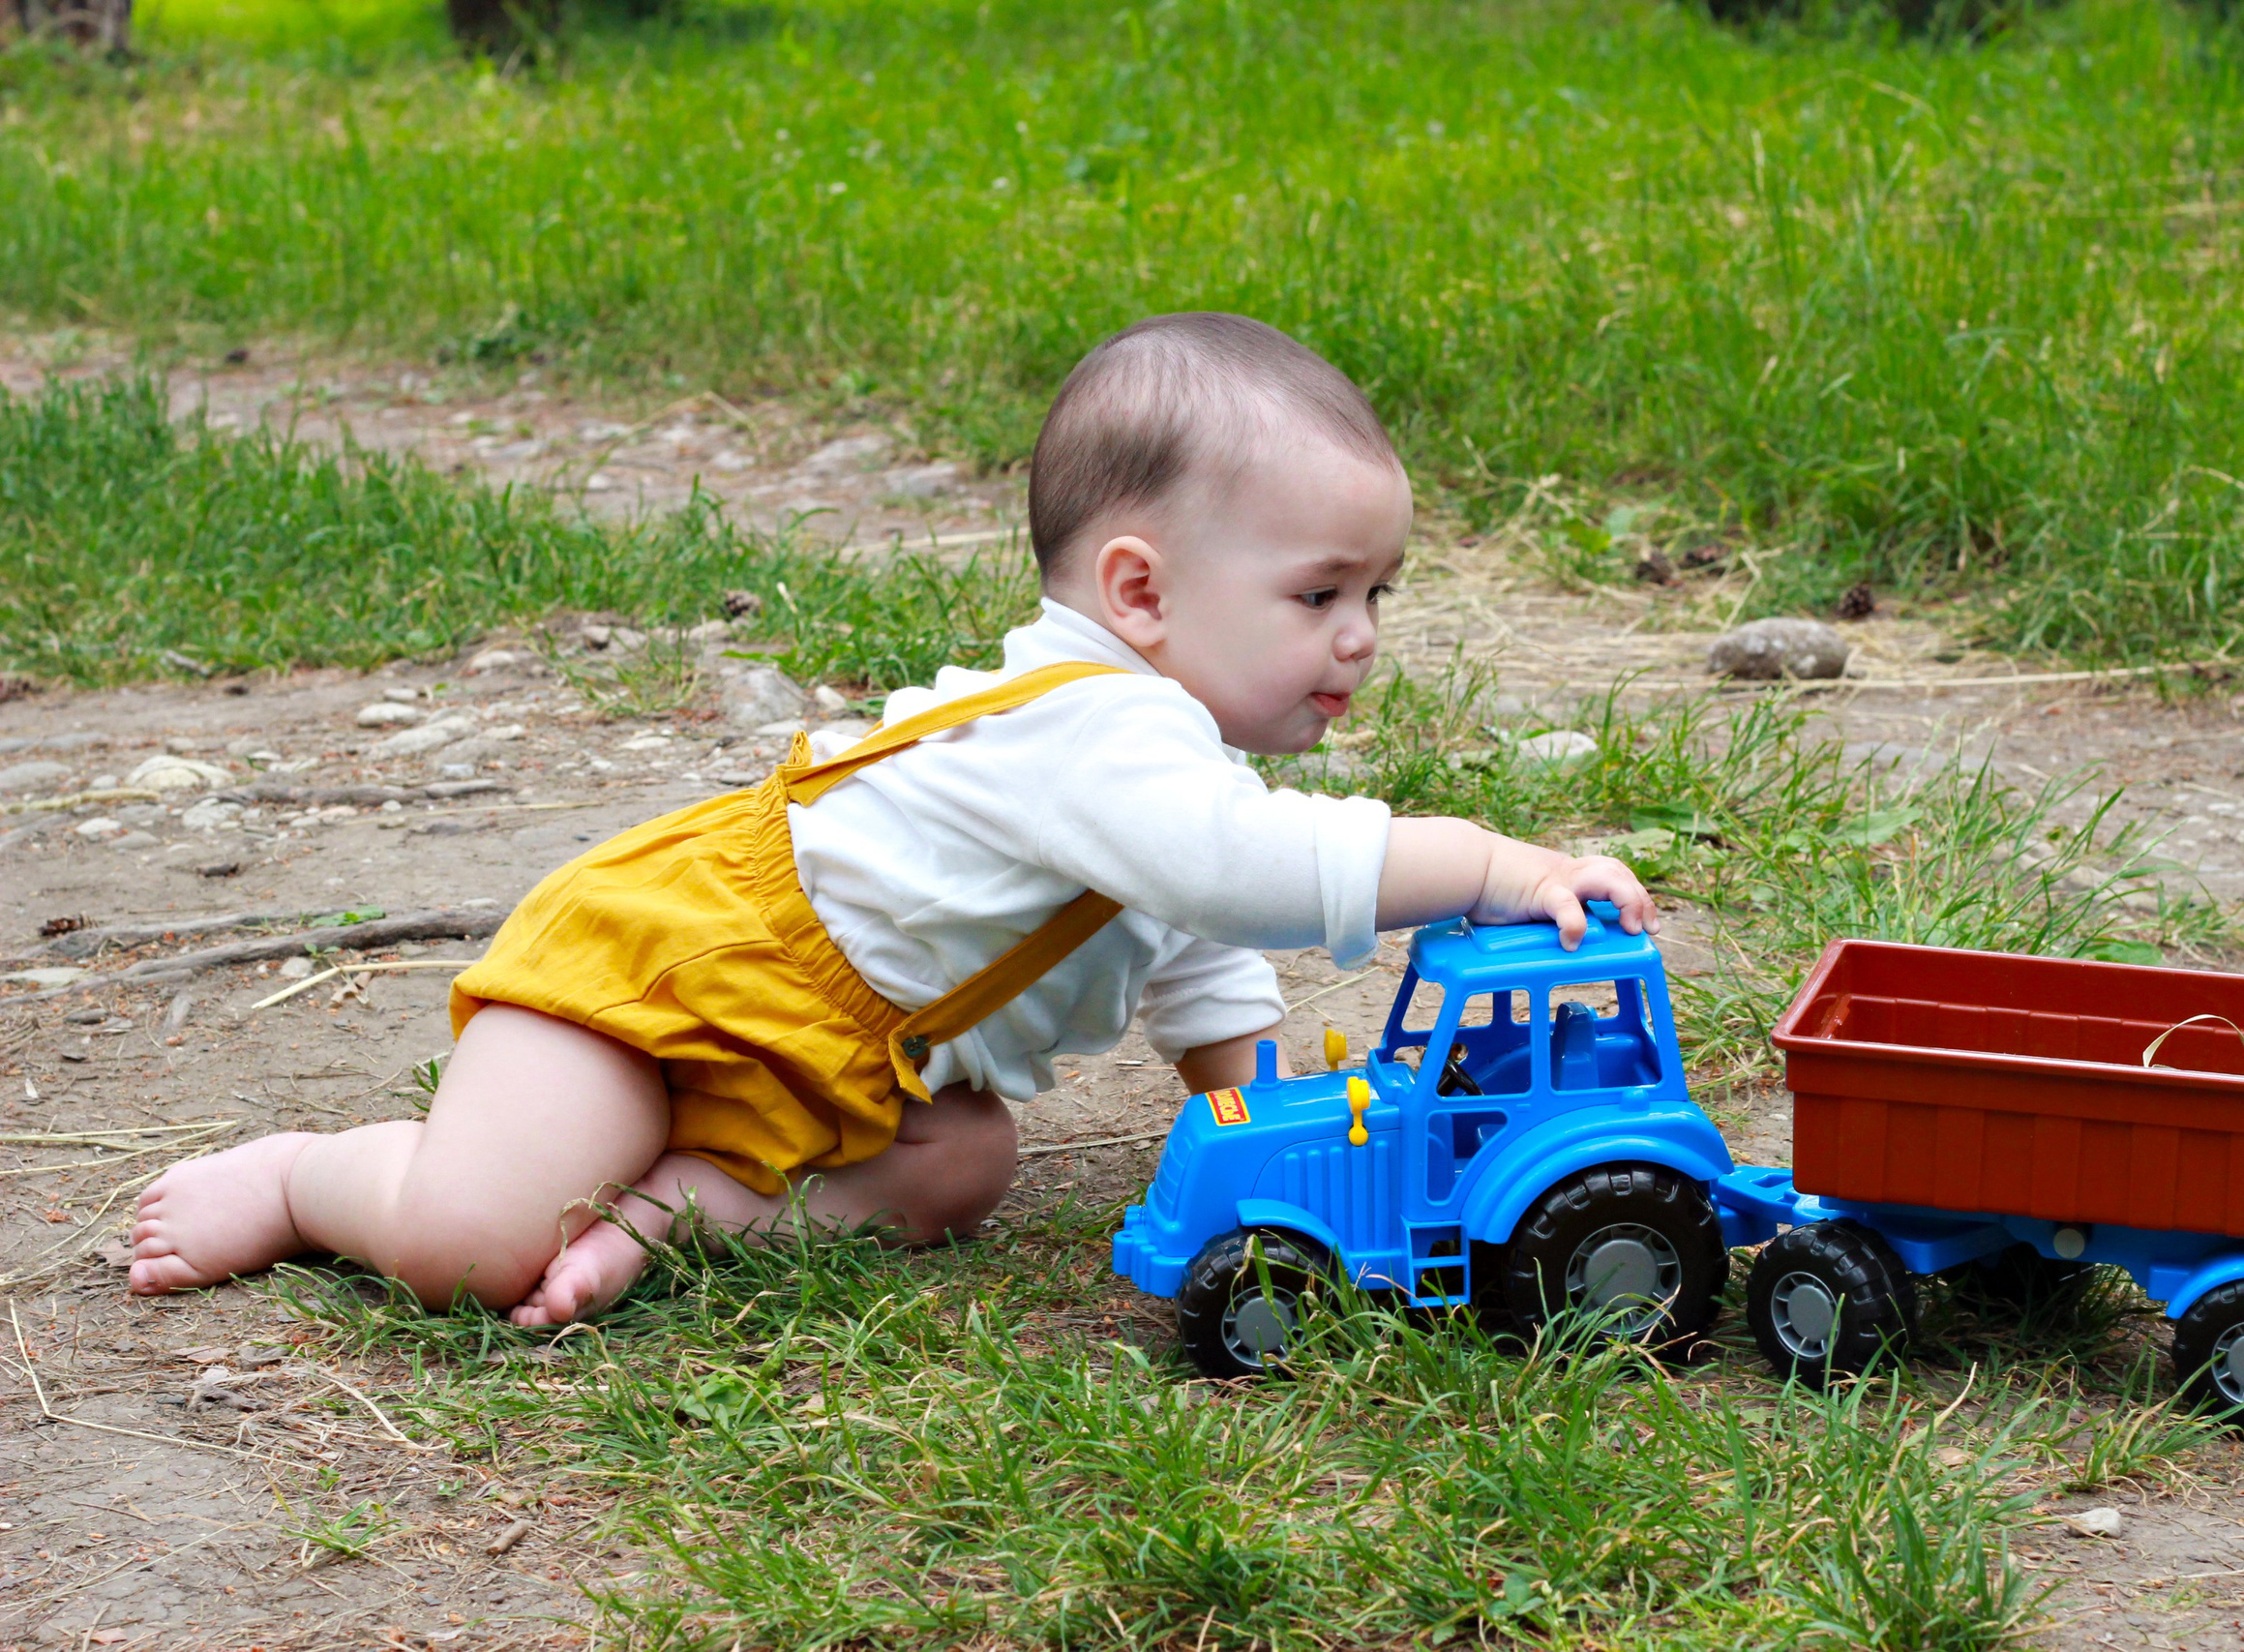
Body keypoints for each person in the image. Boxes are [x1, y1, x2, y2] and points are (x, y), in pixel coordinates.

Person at [125, 313, 1655, 1325]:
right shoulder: (1093, 724)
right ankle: (308, 1176)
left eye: (1376, 594)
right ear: (1140, 592)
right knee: (469, 1244)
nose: (1360, 635)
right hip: (677, 978)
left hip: (859, 1066)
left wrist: (1265, 1129)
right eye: (1318, 593)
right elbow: (1246, 876)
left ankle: (669, 1217)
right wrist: (1493, 863)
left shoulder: (1167, 766)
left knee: (959, 1169)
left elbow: (1195, 959)